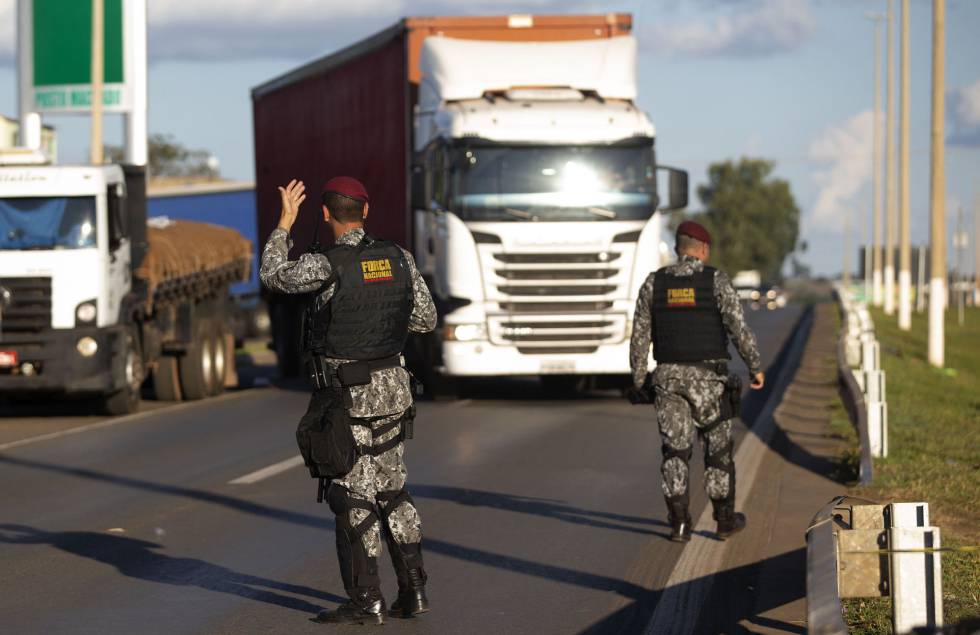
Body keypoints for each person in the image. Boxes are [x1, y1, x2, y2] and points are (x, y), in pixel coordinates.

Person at [260, 177, 437, 625]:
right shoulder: (399, 257)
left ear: (324, 215)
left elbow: (272, 275)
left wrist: (284, 224)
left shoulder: (325, 264)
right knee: (393, 490)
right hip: (394, 389)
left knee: (353, 496)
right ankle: (414, 592)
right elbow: (425, 319)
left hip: (349, 397)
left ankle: (366, 600)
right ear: (366, 210)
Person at [628, 220, 764, 543]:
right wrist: (755, 366)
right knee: (717, 451)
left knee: (675, 452)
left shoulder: (654, 284)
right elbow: (738, 329)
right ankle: (725, 520)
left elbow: (639, 337)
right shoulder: (715, 281)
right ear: (703, 250)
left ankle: (678, 523)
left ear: (678, 249)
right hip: (710, 383)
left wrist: (638, 379)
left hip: (668, 381)